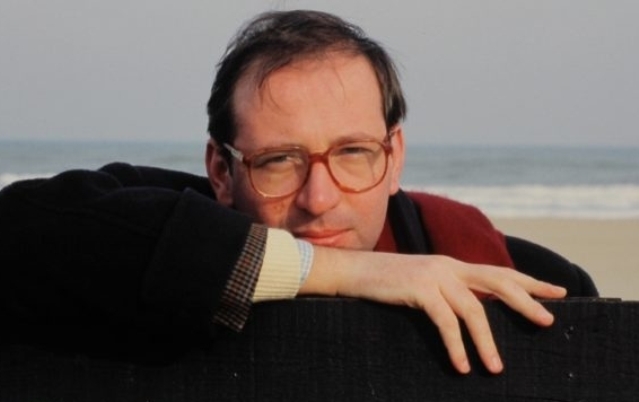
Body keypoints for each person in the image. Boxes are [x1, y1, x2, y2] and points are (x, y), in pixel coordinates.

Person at [0, 10, 595, 375]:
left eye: (353, 153)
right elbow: (19, 227)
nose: (319, 197)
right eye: (279, 161)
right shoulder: (156, 236)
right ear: (221, 171)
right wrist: (351, 272)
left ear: (394, 158)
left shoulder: (532, 280)